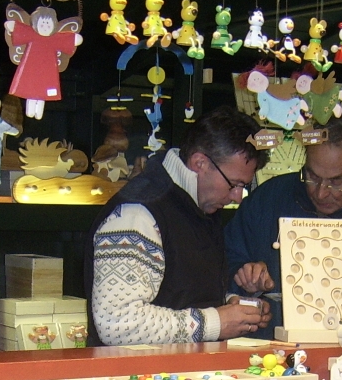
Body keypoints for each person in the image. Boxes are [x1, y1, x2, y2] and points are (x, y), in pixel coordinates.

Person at [85, 106, 271, 346]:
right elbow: (117, 323)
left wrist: (233, 306)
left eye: (243, 186)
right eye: (234, 184)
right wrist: (216, 321)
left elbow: (181, 294)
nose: (237, 196)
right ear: (199, 163)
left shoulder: (198, 204)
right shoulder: (136, 214)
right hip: (134, 370)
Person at [224, 112, 342, 338]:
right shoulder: (268, 199)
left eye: (336, 181)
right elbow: (222, 263)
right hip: (264, 348)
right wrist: (244, 276)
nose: (320, 192)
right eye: (312, 176)